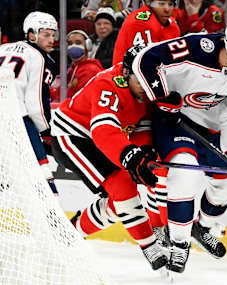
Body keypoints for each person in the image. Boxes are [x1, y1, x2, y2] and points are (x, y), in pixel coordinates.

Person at [131, 17, 227, 273]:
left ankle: (201, 227)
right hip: (173, 121)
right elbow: (146, 59)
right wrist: (162, 97)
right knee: (184, 173)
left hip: (207, 129)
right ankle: (179, 244)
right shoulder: (197, 48)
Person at [50, 45, 170, 271]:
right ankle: (150, 246)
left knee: (120, 202)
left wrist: (144, 151)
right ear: (126, 73)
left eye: (150, 79)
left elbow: (141, 128)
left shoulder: (149, 86)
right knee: (123, 187)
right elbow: (103, 129)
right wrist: (130, 155)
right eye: (140, 79)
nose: (147, 86)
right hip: (74, 135)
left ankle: (70, 233)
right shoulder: (109, 83)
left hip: (109, 139)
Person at [0, 11, 59, 195]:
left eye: (53, 34)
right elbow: (36, 104)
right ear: (32, 34)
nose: (51, 39)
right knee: (43, 179)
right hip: (16, 120)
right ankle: (54, 221)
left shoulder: (3, 48)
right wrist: (46, 130)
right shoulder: (41, 58)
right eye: (46, 34)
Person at [112, 0, 181, 65]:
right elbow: (144, 65)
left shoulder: (172, 23)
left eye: (170, 4)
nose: (167, 9)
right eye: (161, 4)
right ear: (148, 2)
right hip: (127, 74)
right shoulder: (139, 22)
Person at [65, 30, 104, 97]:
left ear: (88, 46)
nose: (73, 46)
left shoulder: (90, 70)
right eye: (70, 43)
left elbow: (82, 97)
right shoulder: (72, 68)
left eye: (78, 43)